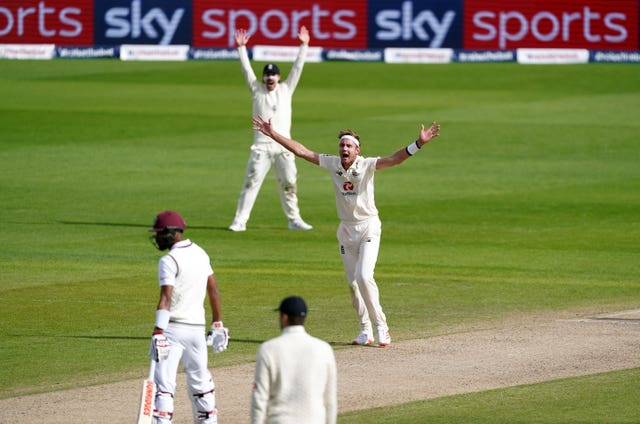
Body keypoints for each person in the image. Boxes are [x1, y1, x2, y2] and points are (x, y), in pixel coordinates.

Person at [252, 116, 441, 347]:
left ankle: (382, 326)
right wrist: (273, 135)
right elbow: (303, 152)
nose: (344, 148)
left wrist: (418, 144)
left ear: (357, 150)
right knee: (352, 284)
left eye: (348, 145)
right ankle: (365, 330)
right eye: (342, 145)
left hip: (368, 226)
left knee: (364, 277)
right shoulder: (333, 164)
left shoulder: (367, 165)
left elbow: (394, 159)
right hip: (346, 230)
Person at [228, 26, 313, 232]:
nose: (270, 78)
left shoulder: (286, 89)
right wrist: (241, 49)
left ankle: (294, 220)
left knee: (289, 183)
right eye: (267, 75)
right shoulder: (256, 89)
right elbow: (246, 70)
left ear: (279, 77)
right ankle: (240, 221)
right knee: (251, 183)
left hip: (285, 146)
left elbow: (297, 68)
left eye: (273, 75)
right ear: (264, 77)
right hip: (262, 146)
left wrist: (304, 45)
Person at [148, 211, 230, 423]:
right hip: (196, 331)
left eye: (160, 233)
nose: (157, 237)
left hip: (173, 330)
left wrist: (158, 331)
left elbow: (166, 297)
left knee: (164, 388)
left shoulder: (169, 259)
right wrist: (218, 324)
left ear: (172, 233)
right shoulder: (201, 253)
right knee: (201, 384)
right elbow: (214, 290)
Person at [251, 296, 337, 424]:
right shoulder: (324, 349)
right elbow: (330, 400)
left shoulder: (268, 349)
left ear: (284, 318)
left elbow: (260, 398)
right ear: (305, 318)